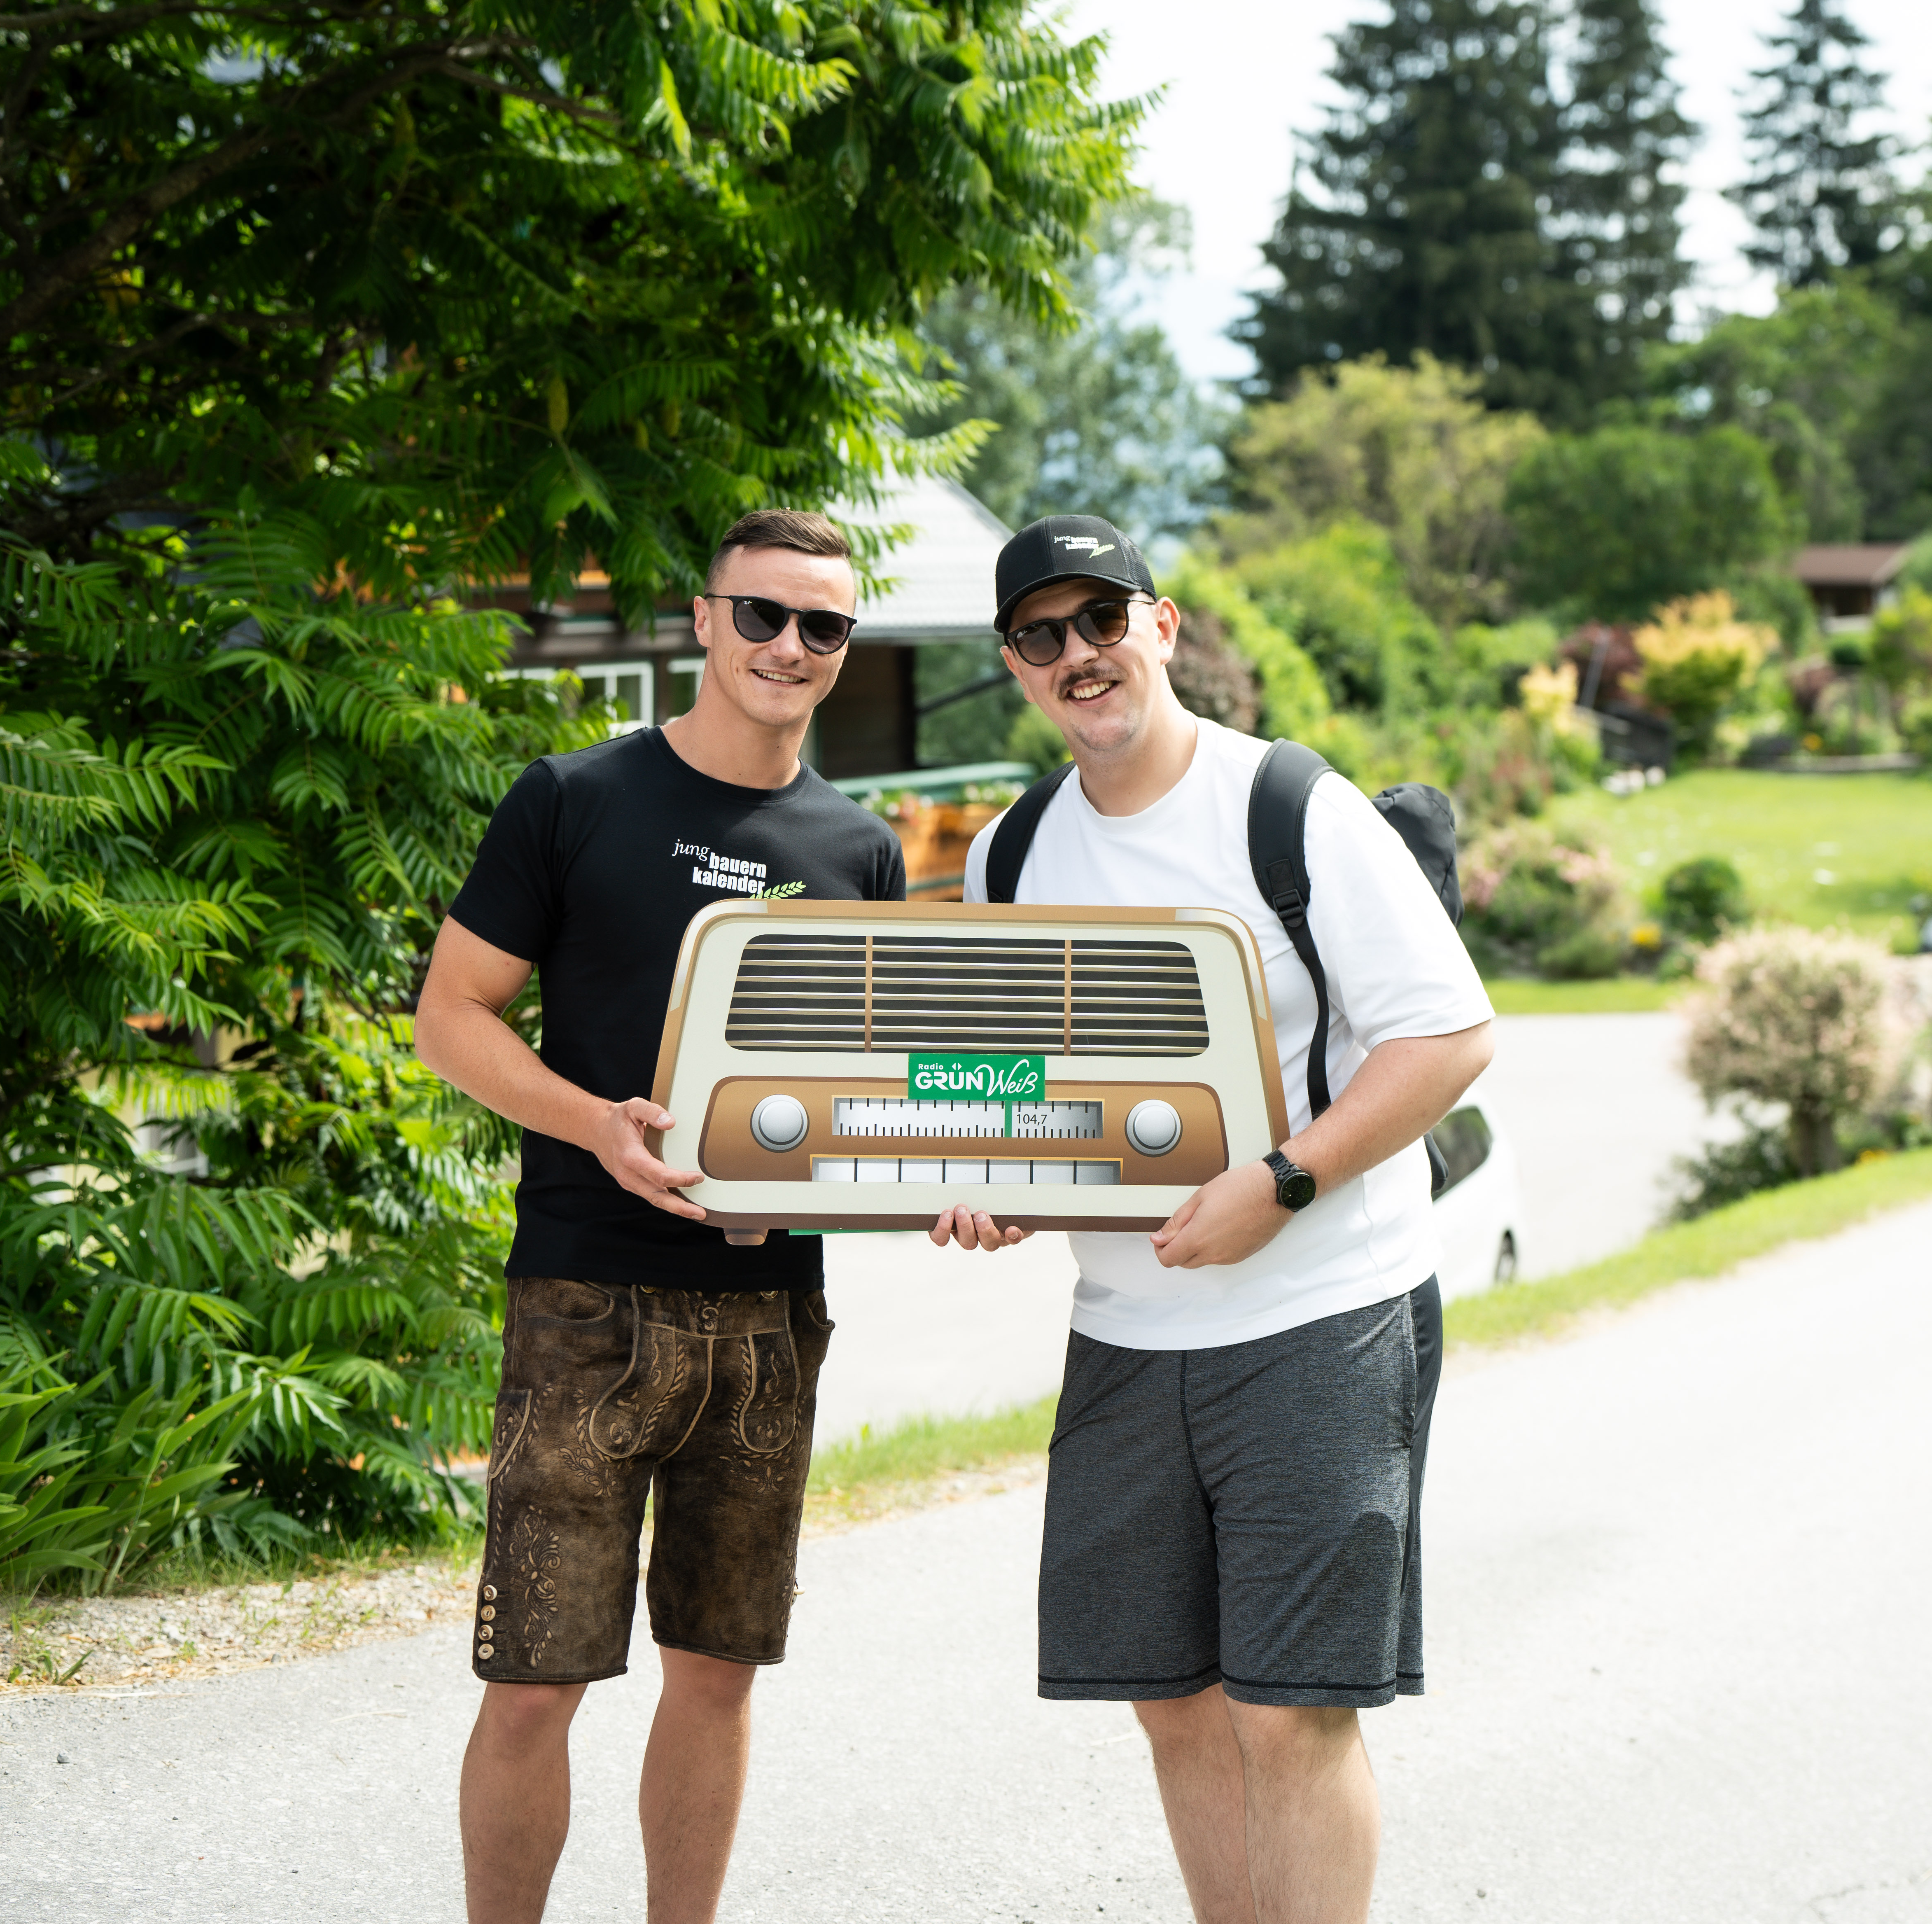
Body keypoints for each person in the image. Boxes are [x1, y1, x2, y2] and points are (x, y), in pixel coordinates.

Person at [931, 514, 1496, 1924]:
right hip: (1127, 1331)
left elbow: (1447, 1036)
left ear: (1162, 627)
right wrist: (994, 1177)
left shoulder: (1291, 809)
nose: (1078, 652)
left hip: (1324, 1308)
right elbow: (1018, 1086)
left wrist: (1283, 1181)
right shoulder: (1009, 854)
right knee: (1173, 1702)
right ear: (1015, 664)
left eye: (1102, 619)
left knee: (1288, 1711)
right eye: (1041, 634)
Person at [412, 509, 904, 1924]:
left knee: (718, 1675)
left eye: (823, 625)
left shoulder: (860, 850)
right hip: (584, 1303)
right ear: (702, 619)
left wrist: (943, 1181)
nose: (790, 646)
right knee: (534, 1682)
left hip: (769, 1317)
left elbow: (876, 1089)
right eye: (762, 614)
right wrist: (596, 1127)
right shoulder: (573, 797)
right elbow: (452, 1017)